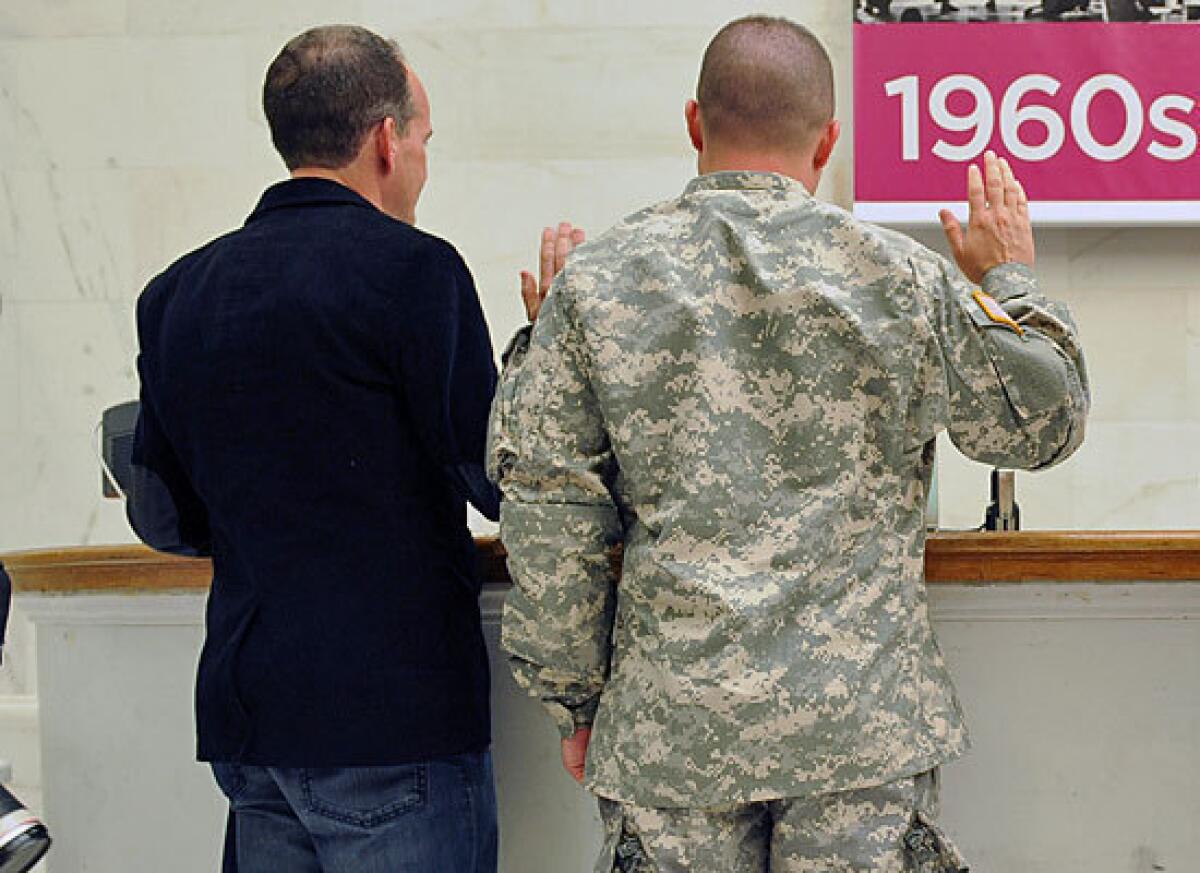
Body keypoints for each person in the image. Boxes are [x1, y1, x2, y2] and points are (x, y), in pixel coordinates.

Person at [489, 14, 1088, 873]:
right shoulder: (901, 276)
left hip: (673, 729)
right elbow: (1046, 422)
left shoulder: (596, 285)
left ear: (694, 123)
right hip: (859, 728)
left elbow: (549, 510)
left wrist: (573, 702)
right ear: (829, 140)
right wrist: (1010, 281)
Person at [126, 24, 566, 873]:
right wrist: (548, 349)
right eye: (426, 139)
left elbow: (168, 510)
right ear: (385, 141)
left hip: (250, 722)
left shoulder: (176, 293)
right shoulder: (416, 274)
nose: (425, 162)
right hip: (392, 719)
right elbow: (500, 479)